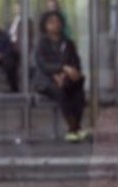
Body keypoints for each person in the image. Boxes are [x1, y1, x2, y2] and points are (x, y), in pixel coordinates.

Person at [35, 9, 87, 142]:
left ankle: (73, 129)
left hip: (65, 79)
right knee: (60, 91)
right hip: (46, 80)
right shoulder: (42, 43)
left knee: (78, 87)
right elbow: (43, 64)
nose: (55, 25)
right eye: (51, 22)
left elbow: (75, 62)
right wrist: (59, 71)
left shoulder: (68, 43)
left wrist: (66, 74)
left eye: (58, 22)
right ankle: (74, 128)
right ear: (45, 26)